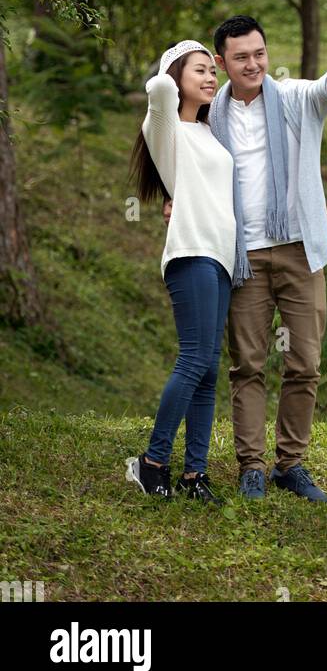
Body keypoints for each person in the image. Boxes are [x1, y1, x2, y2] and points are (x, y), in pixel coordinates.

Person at [204, 15, 327, 502]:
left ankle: (290, 464)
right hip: (243, 257)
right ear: (222, 62)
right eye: (241, 57)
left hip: (300, 250)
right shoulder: (210, 116)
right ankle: (251, 466)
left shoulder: (294, 98)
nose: (253, 64)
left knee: (304, 362)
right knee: (247, 365)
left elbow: (326, 89)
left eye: (259, 53)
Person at [125, 40, 244, 505]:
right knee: (194, 359)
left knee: (209, 371)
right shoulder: (166, 129)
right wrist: (182, 62)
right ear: (178, 75)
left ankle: (196, 475)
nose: (212, 77)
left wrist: (196, 68)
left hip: (220, 258)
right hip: (190, 253)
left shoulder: (208, 132)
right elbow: (157, 89)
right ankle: (152, 463)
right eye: (201, 71)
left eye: (213, 72)